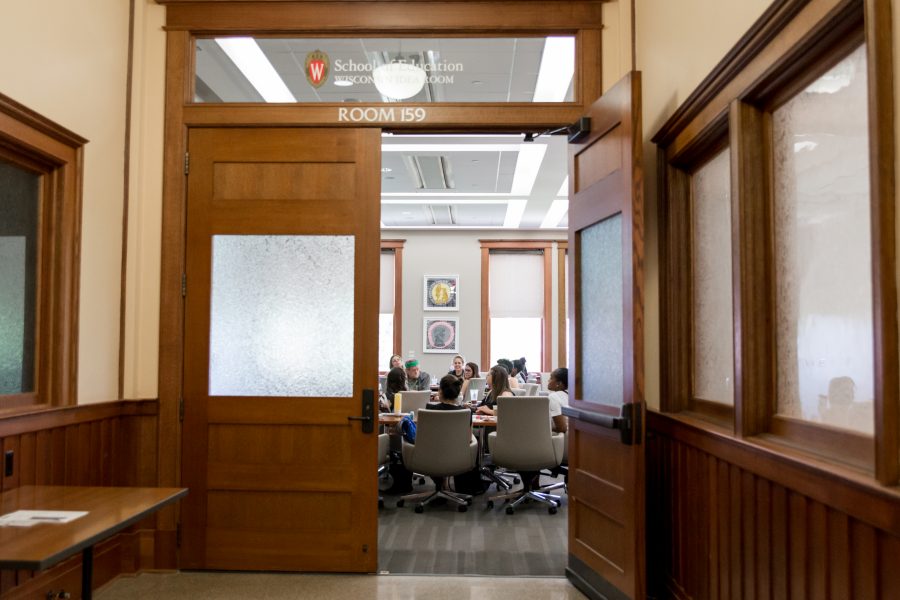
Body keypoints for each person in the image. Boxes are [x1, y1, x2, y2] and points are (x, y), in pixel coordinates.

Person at [547, 367, 569, 433]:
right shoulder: (568, 395)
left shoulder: (553, 397)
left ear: (558, 383)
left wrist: (544, 427)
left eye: (551, 378)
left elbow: (562, 428)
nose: (548, 380)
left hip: (561, 438)